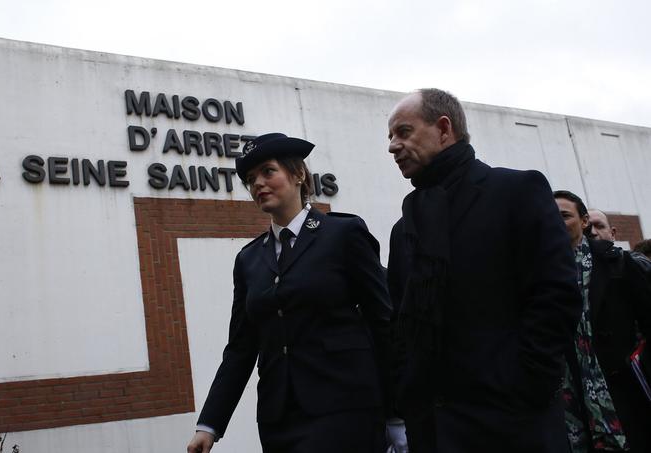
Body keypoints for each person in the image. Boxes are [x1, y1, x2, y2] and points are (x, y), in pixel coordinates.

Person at [385, 88, 581, 453]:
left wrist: (524, 384)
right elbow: (400, 323)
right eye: (390, 137)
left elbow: (555, 295)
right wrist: (408, 395)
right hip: (433, 430)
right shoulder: (404, 228)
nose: (393, 146)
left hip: (512, 424)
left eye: (404, 132)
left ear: (444, 129)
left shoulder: (515, 192)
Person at [187, 133, 392, 453]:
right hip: (279, 420)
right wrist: (209, 425)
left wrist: (398, 415)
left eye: (268, 171)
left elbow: (384, 325)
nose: (258, 183)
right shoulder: (249, 259)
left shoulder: (343, 235)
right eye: (251, 179)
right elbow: (241, 348)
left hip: (346, 410)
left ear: (298, 175)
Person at [554, 191, 651, 453]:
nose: (556, 221)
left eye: (564, 215)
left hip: (622, 390)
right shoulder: (542, 274)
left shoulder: (619, 264)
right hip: (570, 397)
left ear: (584, 221)